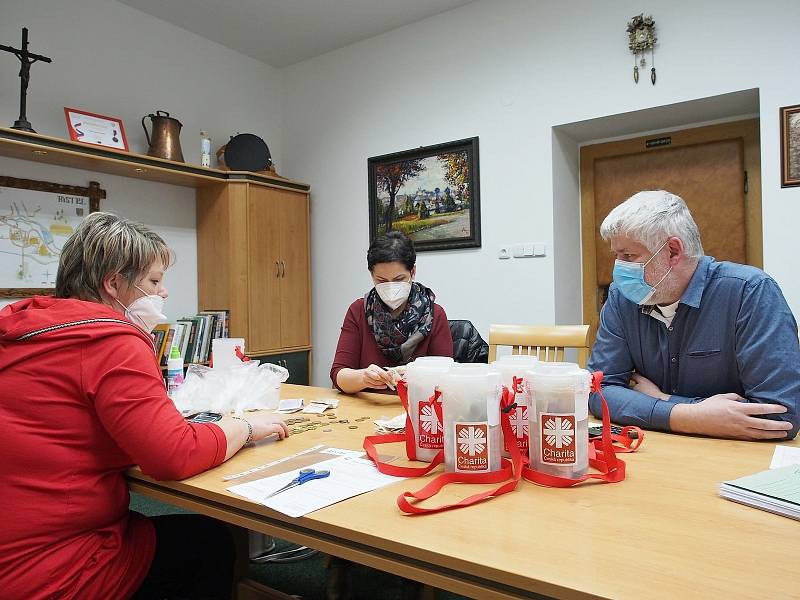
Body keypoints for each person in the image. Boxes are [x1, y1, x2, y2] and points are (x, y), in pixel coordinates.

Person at [0, 212, 289, 600]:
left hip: (17, 536)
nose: (164, 292)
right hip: (51, 566)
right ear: (113, 284)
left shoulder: (24, 329)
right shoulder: (111, 339)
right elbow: (173, 455)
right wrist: (245, 427)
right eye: (154, 281)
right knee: (209, 541)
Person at [588, 190, 799, 440]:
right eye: (616, 256)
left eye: (629, 256)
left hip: (737, 458)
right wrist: (690, 415)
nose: (619, 268)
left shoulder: (751, 292)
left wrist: (662, 400)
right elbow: (597, 391)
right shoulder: (621, 299)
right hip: (658, 451)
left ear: (673, 251)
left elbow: (779, 417)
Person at [331, 231, 454, 393]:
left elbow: (446, 377)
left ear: (413, 272)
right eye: (381, 281)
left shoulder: (434, 314)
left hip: (416, 408)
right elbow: (338, 375)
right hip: (369, 408)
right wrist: (363, 378)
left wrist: (419, 378)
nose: (390, 287)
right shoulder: (358, 310)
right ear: (372, 275)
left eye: (399, 279)